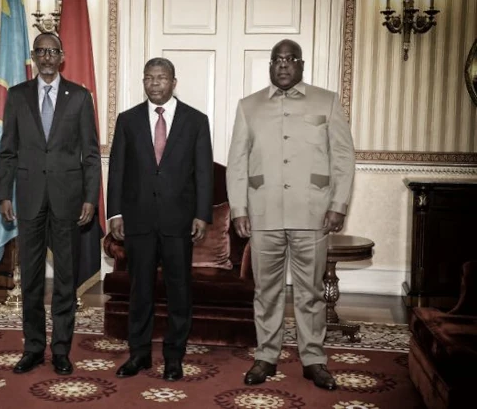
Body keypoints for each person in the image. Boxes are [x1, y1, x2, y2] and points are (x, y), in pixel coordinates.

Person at [226, 39, 355, 390]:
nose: (283, 64)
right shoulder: (249, 106)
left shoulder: (327, 101)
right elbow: (237, 163)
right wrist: (239, 209)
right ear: (270, 66)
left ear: (301, 65)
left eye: (290, 59)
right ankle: (266, 356)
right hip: (263, 213)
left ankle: (313, 359)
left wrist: (338, 204)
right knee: (265, 291)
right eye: (277, 60)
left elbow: (343, 158)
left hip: (312, 214)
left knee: (309, 292)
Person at [0, 32, 101, 375]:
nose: (46, 57)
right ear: (33, 55)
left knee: (66, 279)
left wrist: (90, 197)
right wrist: (4, 194)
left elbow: (91, 154)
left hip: (68, 199)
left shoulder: (80, 97)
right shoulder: (17, 96)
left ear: (62, 56)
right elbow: (7, 151)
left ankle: (61, 350)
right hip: (28, 197)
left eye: (53, 51)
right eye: (40, 51)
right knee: (31, 278)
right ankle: (33, 348)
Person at [107, 57, 213, 381]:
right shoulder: (127, 120)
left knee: (179, 291)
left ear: (173, 82)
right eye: (149, 78)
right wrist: (115, 213)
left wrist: (202, 214)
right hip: (138, 220)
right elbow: (117, 169)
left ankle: (174, 356)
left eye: (161, 78)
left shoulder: (196, 120)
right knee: (140, 291)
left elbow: (203, 172)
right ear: (143, 82)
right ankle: (138, 354)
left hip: (178, 221)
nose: (155, 83)